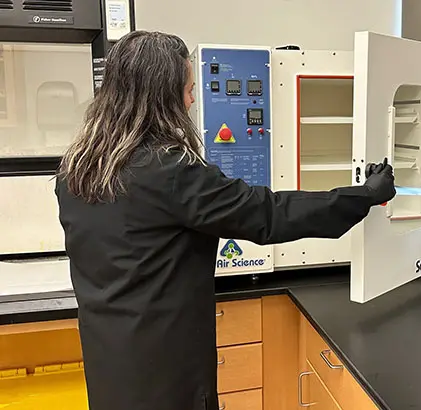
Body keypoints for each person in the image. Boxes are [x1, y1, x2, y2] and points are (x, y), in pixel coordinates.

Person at [54, 30, 395, 410]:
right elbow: (269, 214)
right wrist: (366, 194)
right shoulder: (168, 171)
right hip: (167, 374)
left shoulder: (76, 170)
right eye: (186, 88)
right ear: (160, 98)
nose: (193, 97)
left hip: (111, 364)